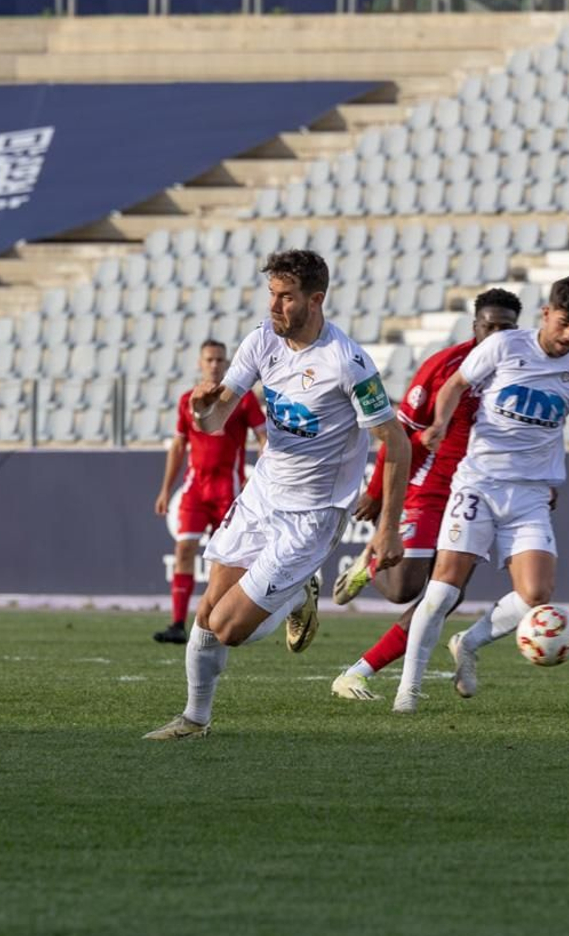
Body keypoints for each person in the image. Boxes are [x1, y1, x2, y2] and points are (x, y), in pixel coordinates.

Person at [145, 250, 412, 740]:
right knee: (206, 615)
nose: (274, 306)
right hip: (262, 494)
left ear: (316, 299)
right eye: (271, 293)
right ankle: (194, 719)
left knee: (228, 629)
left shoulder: (347, 362)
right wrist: (204, 411)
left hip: (311, 515)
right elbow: (216, 418)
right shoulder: (261, 341)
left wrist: (388, 527)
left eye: (285, 297)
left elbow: (395, 442)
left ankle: (293, 598)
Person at [390, 275, 569, 714]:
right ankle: (407, 691)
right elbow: (453, 386)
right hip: (479, 483)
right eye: (563, 323)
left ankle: (467, 642)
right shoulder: (504, 346)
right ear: (546, 313)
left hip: (530, 496)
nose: (568, 336)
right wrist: (442, 423)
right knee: (443, 591)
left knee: (536, 594)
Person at [328, 289, 523, 701]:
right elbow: (401, 434)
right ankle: (372, 561)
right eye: (490, 327)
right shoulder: (445, 367)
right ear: (476, 327)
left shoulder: (522, 371)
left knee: (447, 597)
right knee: (404, 588)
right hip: (430, 489)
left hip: (481, 493)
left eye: (507, 328)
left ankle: (358, 673)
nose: (498, 335)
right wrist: (379, 491)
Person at [152, 340, 267, 644]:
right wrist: (166, 489)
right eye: (209, 359)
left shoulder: (242, 400)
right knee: (184, 550)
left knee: (227, 562)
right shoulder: (188, 400)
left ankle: (220, 620)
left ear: (227, 364)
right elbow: (178, 445)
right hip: (195, 489)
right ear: (199, 363)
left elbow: (263, 437)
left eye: (219, 360)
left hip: (228, 490)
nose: (214, 365)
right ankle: (177, 623)